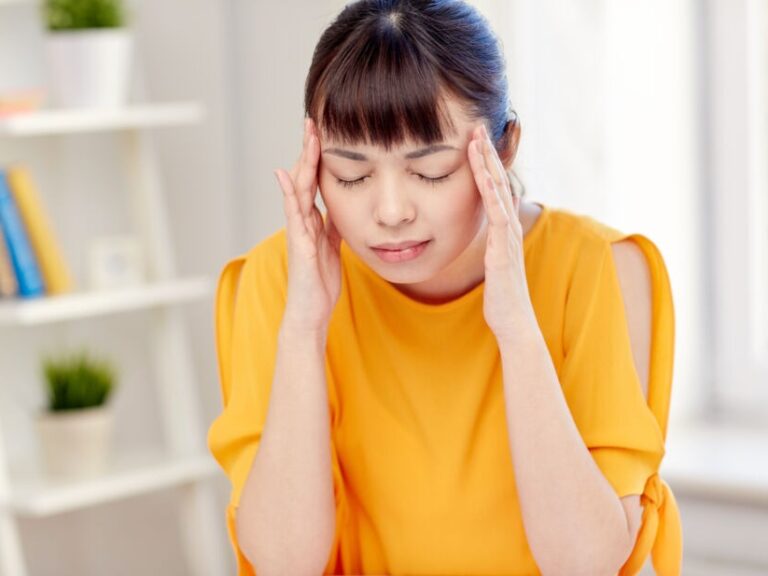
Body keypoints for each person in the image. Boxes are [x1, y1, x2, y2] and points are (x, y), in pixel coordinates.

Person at [208, 1, 683, 574]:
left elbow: (584, 562)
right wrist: (304, 329)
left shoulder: (600, 269)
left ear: (504, 148)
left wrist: (516, 329)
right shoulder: (278, 281)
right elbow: (286, 563)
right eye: (351, 174)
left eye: (430, 172)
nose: (388, 211)